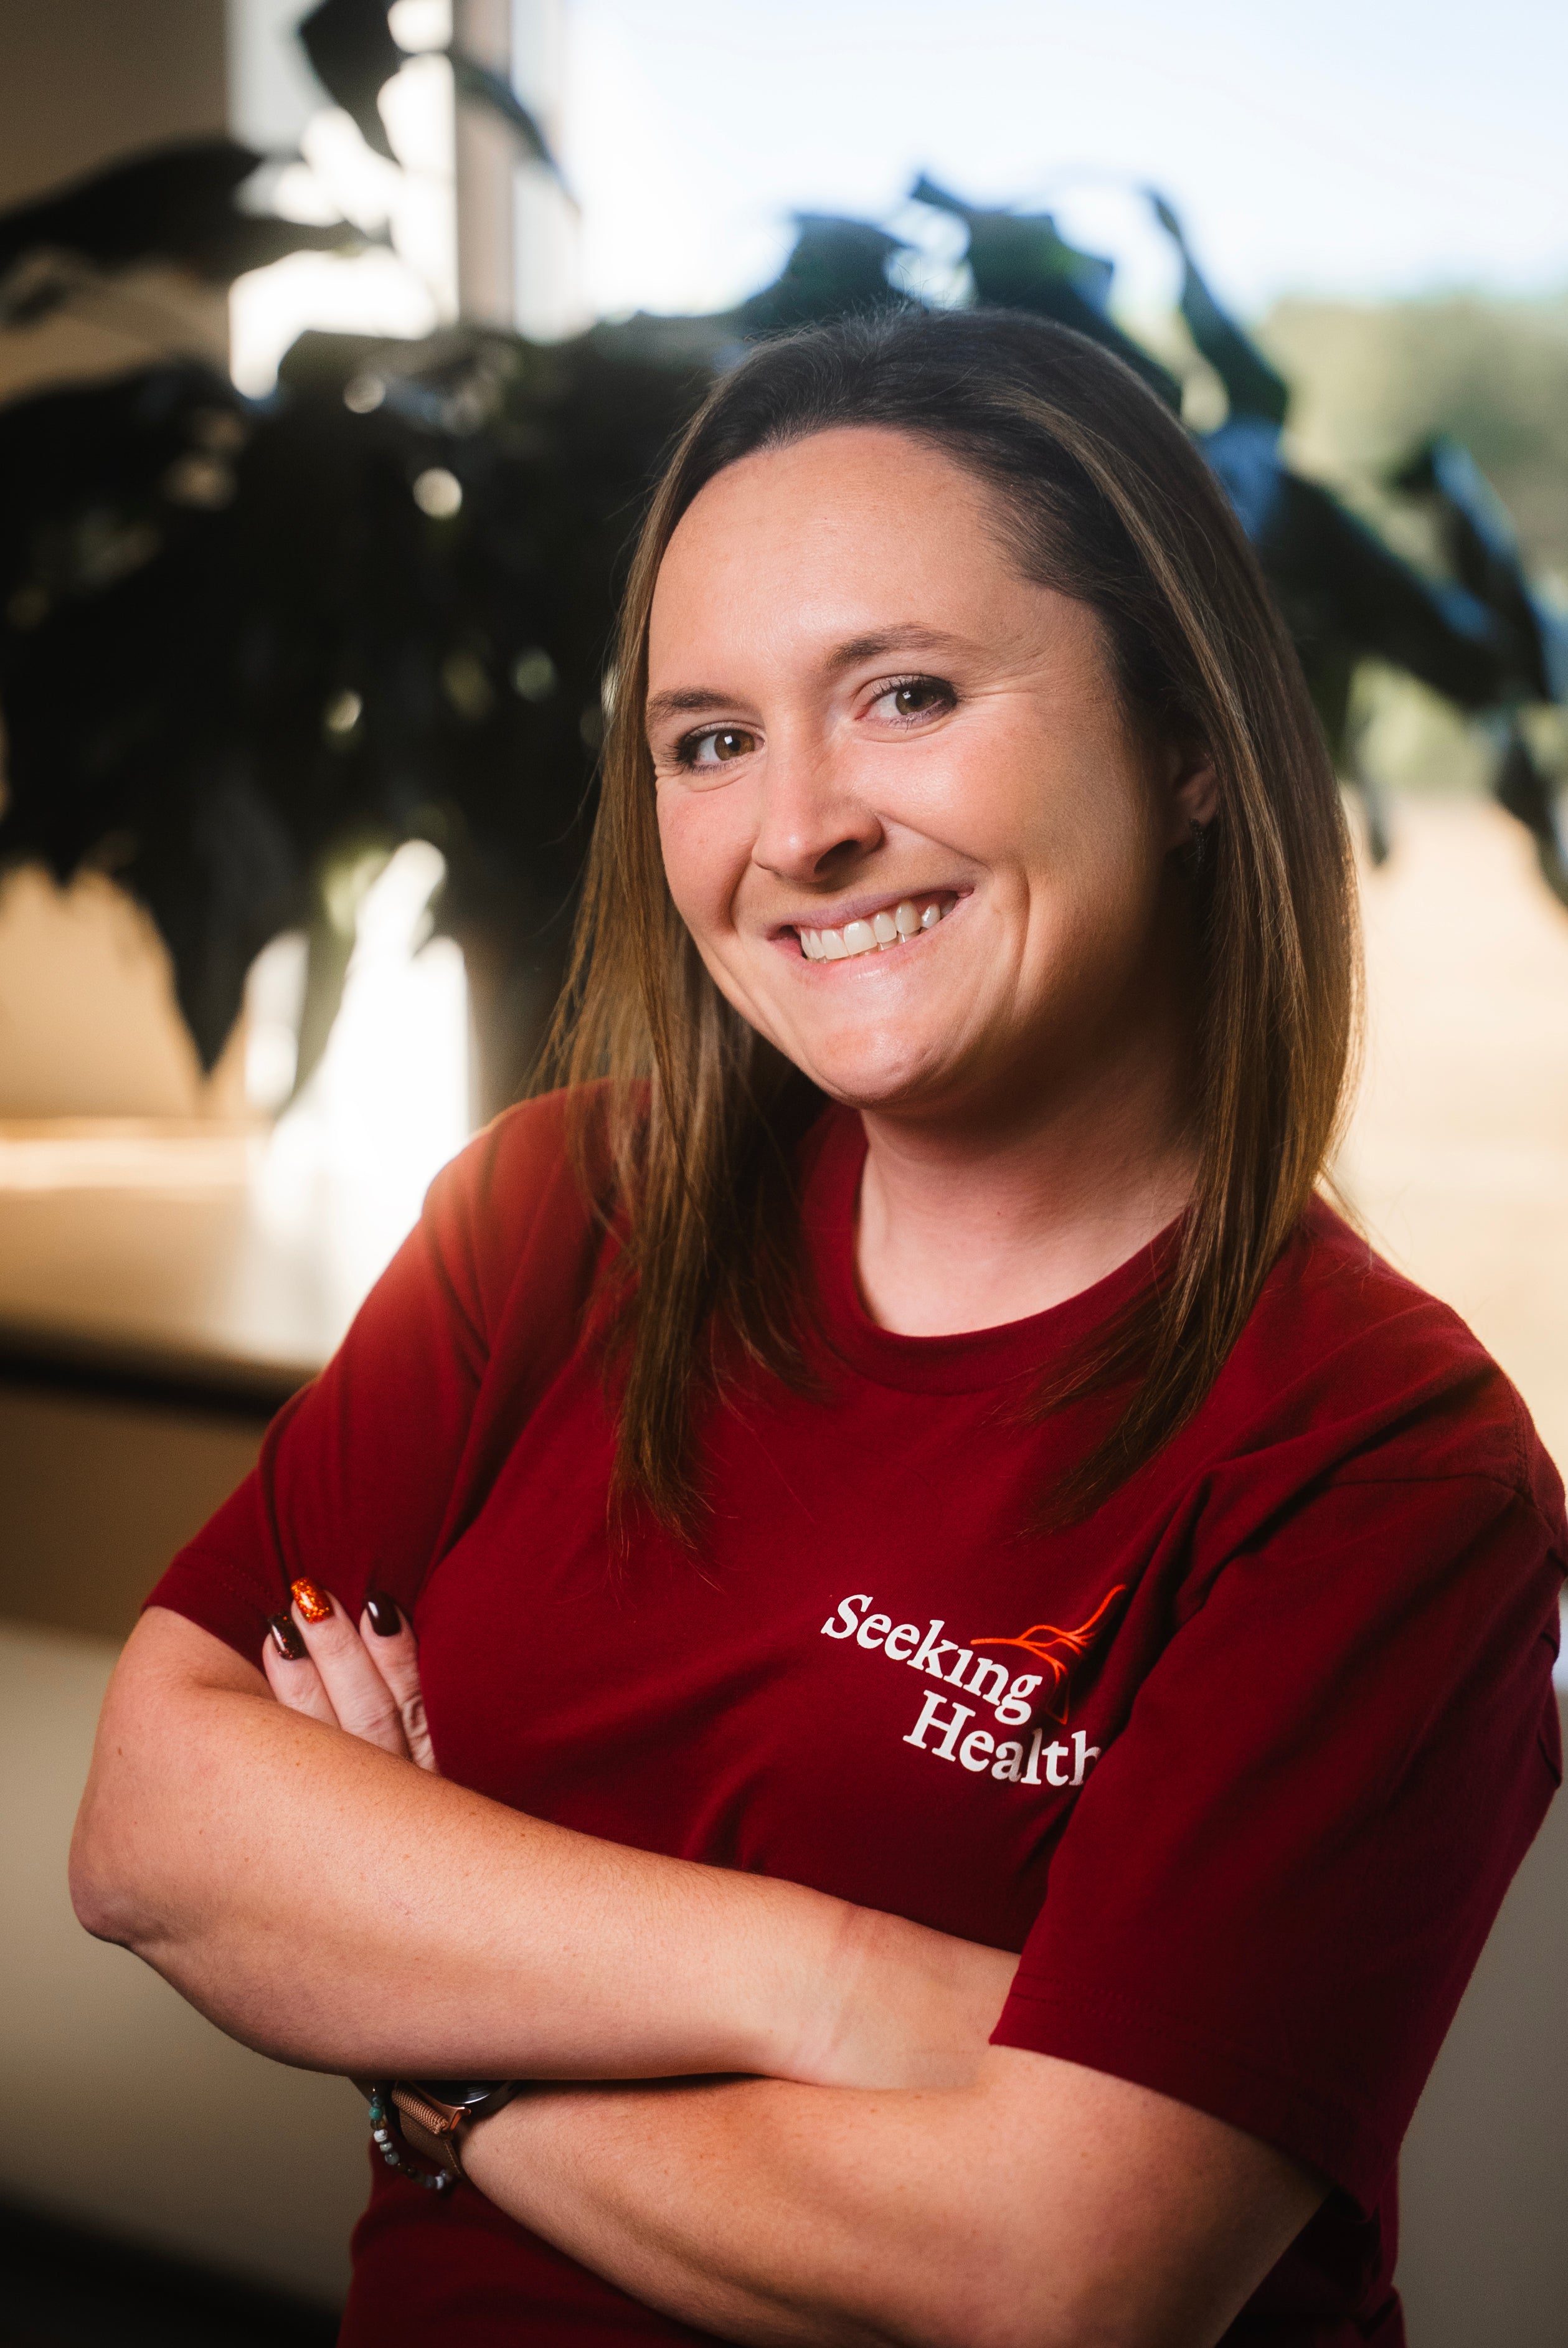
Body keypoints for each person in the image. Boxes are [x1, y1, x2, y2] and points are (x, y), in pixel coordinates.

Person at [71, 310, 1564, 2348]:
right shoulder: (552, 1214)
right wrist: (844, 1985)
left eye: (906, 694)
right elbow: (155, 1824)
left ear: (1190, 742)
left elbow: (1055, 2274)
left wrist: (432, 2035)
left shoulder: (1383, 1461)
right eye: (708, 739)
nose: (797, 829)